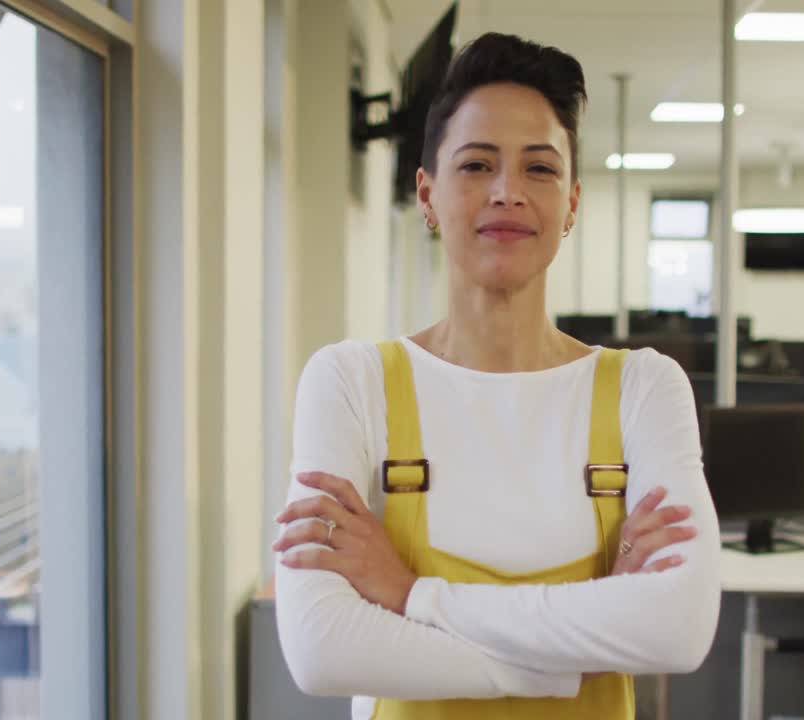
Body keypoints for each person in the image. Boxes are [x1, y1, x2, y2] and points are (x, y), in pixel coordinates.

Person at [272, 32, 720, 719]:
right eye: (477, 165)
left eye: (539, 169)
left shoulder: (644, 388)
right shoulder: (351, 381)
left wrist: (411, 597)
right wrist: (589, 646)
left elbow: (679, 630)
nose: (508, 192)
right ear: (427, 195)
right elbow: (322, 649)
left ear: (572, 202)